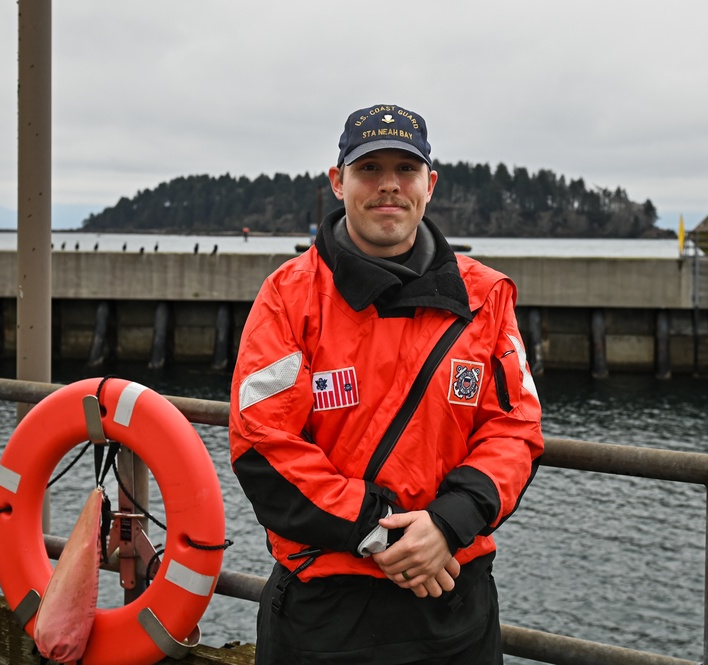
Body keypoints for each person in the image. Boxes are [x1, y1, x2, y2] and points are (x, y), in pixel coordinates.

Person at [229, 103, 544, 665]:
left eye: (406, 168)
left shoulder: (487, 296)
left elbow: (515, 430)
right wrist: (383, 533)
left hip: (452, 602)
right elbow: (261, 445)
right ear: (337, 181)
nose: (388, 186)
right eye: (369, 169)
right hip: (324, 609)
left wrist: (449, 524)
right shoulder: (288, 296)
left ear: (431, 183)